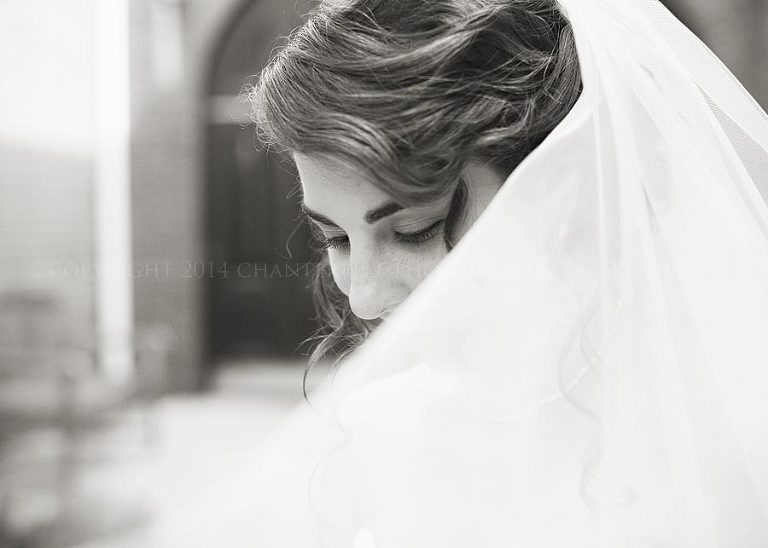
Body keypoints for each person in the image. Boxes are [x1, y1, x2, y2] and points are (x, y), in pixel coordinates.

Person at [245, 0, 768, 546]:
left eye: (415, 229)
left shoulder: (737, 442)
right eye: (336, 238)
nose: (365, 301)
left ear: (563, 187)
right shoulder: (379, 432)